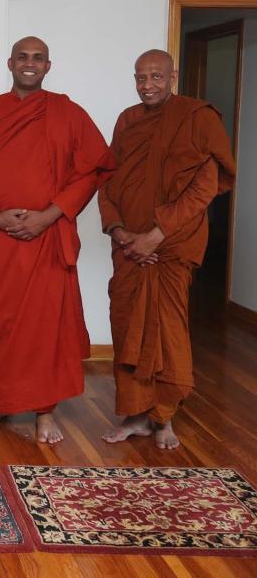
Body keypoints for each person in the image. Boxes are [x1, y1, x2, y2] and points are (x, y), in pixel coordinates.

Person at [0, 36, 114, 443]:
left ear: (48, 66)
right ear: (10, 63)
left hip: (49, 234)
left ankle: (45, 411)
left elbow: (94, 169)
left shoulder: (67, 113)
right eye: (22, 57)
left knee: (47, 325)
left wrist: (48, 215)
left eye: (37, 58)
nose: (29, 63)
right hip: (0, 235)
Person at [100, 49, 235, 450]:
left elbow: (205, 187)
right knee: (127, 327)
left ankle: (164, 418)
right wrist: (120, 230)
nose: (148, 85)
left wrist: (156, 235)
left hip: (171, 245)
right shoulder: (128, 120)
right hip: (128, 247)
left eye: (156, 77)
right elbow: (108, 178)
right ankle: (136, 414)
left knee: (167, 330)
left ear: (173, 76)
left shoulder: (197, 117)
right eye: (141, 78)